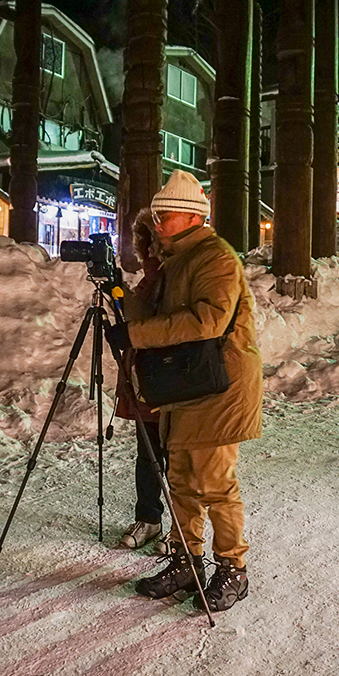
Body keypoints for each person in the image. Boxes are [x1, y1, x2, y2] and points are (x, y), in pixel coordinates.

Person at [111, 169, 263, 613]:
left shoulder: (216, 258)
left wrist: (137, 335)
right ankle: (185, 560)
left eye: (165, 215)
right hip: (185, 383)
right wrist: (117, 290)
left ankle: (233, 570)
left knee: (214, 483)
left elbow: (208, 321)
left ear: (192, 216)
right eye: (155, 216)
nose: (157, 223)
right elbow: (153, 314)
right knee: (179, 481)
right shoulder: (175, 260)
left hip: (220, 386)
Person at [115, 209, 167, 550]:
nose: (148, 250)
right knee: (147, 454)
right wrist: (118, 293)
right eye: (144, 243)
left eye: (154, 242)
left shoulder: (177, 275)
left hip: (173, 379)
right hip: (145, 379)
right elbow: (139, 314)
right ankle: (149, 518)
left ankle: (182, 528)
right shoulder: (150, 278)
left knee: (176, 456)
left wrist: (135, 331)